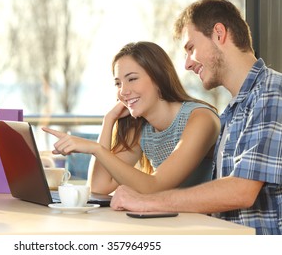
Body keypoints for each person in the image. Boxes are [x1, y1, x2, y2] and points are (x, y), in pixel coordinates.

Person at [110, 0, 282, 235]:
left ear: (219, 33)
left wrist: (146, 202)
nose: (187, 64)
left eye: (191, 48)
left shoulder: (272, 92)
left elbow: (241, 191)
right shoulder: (234, 111)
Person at [43, 41, 220, 196]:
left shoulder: (200, 119)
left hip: (207, 227)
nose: (123, 91)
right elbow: (98, 187)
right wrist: (108, 120)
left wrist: (95, 149)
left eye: (132, 79)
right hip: (171, 221)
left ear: (159, 78)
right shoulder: (141, 127)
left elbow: (155, 187)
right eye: (118, 83)